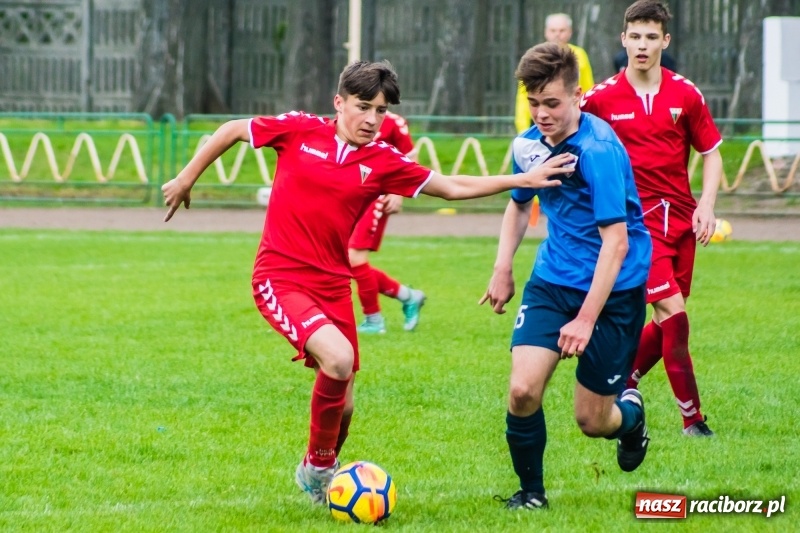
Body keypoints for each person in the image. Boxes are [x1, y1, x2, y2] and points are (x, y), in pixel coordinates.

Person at [161, 60, 574, 505]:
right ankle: (318, 470)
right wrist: (186, 178)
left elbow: (451, 186)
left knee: (346, 405)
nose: (373, 120)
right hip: (279, 278)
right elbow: (230, 130)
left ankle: (320, 479)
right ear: (338, 103)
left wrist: (523, 179)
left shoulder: (381, 160)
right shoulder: (299, 131)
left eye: (380, 111)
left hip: (334, 284)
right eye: (363, 107)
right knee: (337, 361)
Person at [483, 42, 653, 510]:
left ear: (577, 95)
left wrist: (584, 319)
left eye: (552, 103)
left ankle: (632, 417)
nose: (541, 113)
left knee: (592, 420)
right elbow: (518, 207)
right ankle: (531, 494)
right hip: (554, 280)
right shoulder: (527, 146)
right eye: (533, 102)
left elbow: (616, 244)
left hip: (613, 290)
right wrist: (503, 268)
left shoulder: (598, 150)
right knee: (522, 390)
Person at [580, 0, 722, 437]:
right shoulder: (600, 99)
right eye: (635, 37)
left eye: (651, 37)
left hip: (680, 220)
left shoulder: (685, 93)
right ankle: (692, 420)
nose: (642, 45)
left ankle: (625, 381)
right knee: (674, 314)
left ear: (665, 40)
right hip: (636, 225)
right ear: (623, 40)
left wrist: (707, 205)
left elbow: (712, 153)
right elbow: (569, 141)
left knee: (665, 323)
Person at [349, 111, 425, 334]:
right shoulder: (348, 114)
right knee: (347, 261)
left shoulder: (394, 122)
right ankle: (409, 296)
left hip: (376, 196)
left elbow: (410, 159)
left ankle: (374, 320)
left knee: (354, 258)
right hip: (350, 196)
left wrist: (398, 193)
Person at [514, 13, 594, 134]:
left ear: (570, 32)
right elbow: (523, 96)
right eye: (553, 30)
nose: (557, 34)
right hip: (540, 122)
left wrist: (590, 122)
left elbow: (588, 89)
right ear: (546, 32)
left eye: (562, 30)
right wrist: (523, 129)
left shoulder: (579, 55)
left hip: (572, 120)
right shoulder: (534, 57)